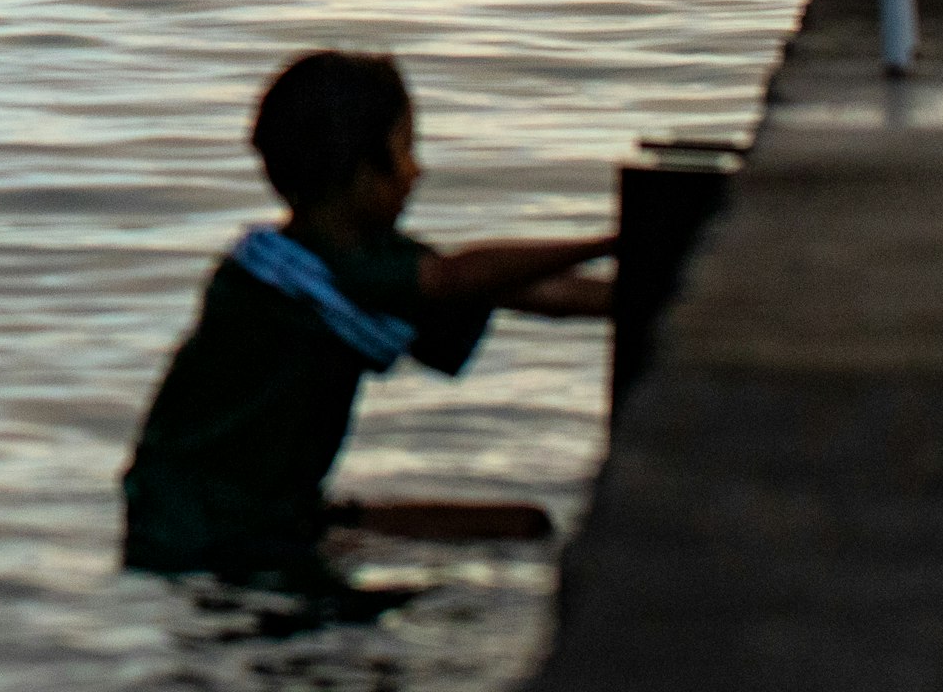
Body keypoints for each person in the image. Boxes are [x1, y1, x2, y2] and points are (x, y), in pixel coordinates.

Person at [121, 50, 611, 584]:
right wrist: (611, 241)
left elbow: (525, 291)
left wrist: (644, 289)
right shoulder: (302, 279)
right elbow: (454, 280)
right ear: (362, 171)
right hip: (205, 528)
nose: (417, 172)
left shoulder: (333, 263)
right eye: (404, 151)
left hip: (252, 514)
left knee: (524, 526)